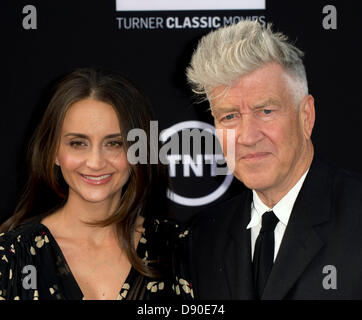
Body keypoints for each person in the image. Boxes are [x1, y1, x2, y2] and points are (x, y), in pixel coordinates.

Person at [185, 20, 362, 299]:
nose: (247, 136)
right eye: (229, 116)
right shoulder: (205, 236)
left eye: (266, 111)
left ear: (306, 116)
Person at [0, 68, 193, 300]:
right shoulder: (10, 257)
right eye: (78, 143)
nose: (95, 162)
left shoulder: (181, 249)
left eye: (114, 143)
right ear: (53, 152)